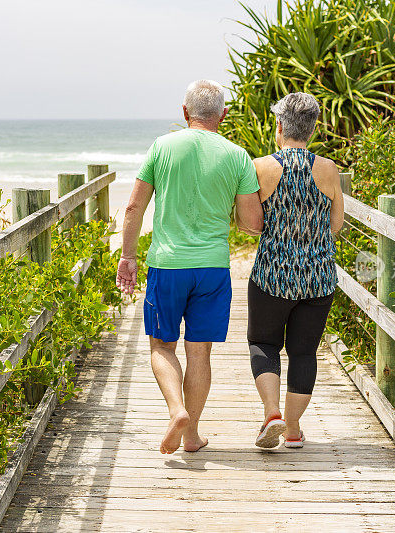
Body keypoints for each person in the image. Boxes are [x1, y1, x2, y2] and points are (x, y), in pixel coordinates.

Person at [116, 79, 264, 454]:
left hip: (168, 264)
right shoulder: (237, 155)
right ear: (223, 115)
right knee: (199, 352)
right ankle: (192, 434)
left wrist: (128, 256)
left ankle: (176, 410)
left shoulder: (162, 147)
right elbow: (251, 223)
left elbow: (134, 207)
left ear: (185, 113)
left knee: (162, 345)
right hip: (212, 267)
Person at [247, 92, 344, 449]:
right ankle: (292, 429)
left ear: (279, 126)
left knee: (263, 343)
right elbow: (335, 225)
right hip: (318, 277)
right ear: (312, 128)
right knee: (304, 352)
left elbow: (252, 224)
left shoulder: (261, 166)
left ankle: (272, 412)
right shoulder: (328, 169)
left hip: (271, 275)